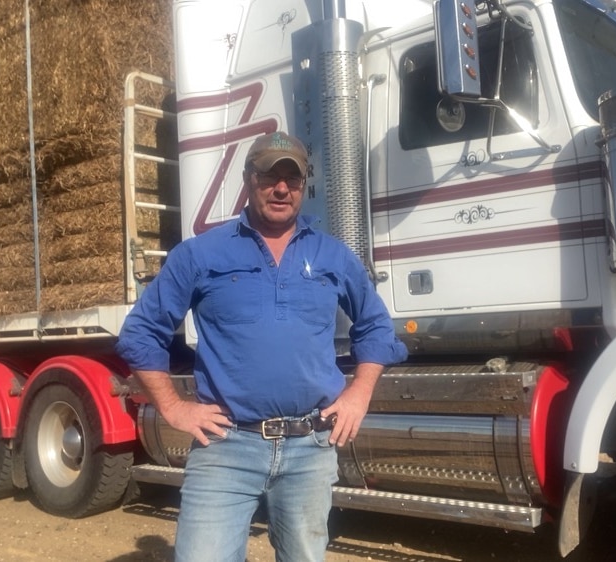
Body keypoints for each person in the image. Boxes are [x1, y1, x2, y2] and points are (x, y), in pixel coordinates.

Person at [115, 131, 408, 562]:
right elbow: (141, 333)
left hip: (310, 447)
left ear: (304, 185)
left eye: (293, 177)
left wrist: (359, 392)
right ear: (249, 179)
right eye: (271, 175)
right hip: (227, 446)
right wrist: (175, 408)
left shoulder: (333, 256)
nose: (282, 188)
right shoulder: (201, 253)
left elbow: (377, 328)